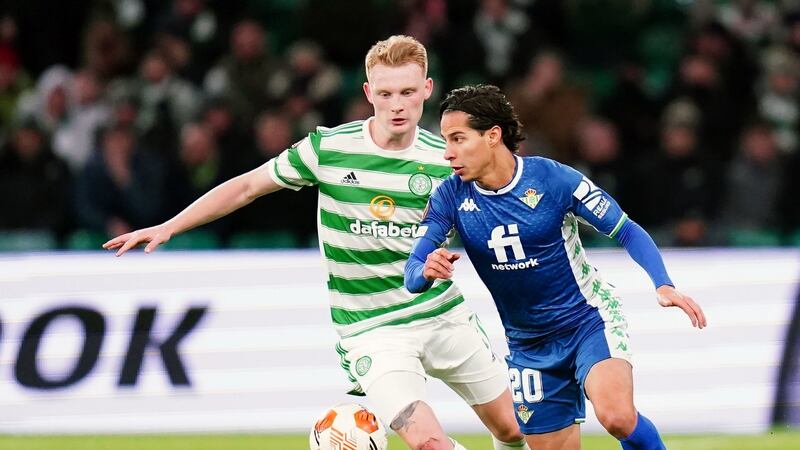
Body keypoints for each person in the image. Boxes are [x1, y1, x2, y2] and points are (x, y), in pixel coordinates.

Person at [103, 36, 528, 450]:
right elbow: (248, 186)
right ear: (367, 92)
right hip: (372, 330)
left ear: (427, 90)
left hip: (441, 315)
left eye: (407, 91)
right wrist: (172, 225)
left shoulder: (446, 159)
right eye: (385, 93)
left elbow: (503, 213)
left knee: (514, 430)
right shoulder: (328, 149)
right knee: (429, 442)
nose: (397, 104)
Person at [405, 84, 707, 450]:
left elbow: (625, 230)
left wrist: (663, 283)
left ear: (492, 136)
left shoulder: (553, 180)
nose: (447, 153)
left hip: (587, 321)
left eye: (457, 139)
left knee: (616, 416)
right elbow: (413, 272)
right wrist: (427, 269)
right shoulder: (449, 197)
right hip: (528, 345)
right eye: (445, 140)